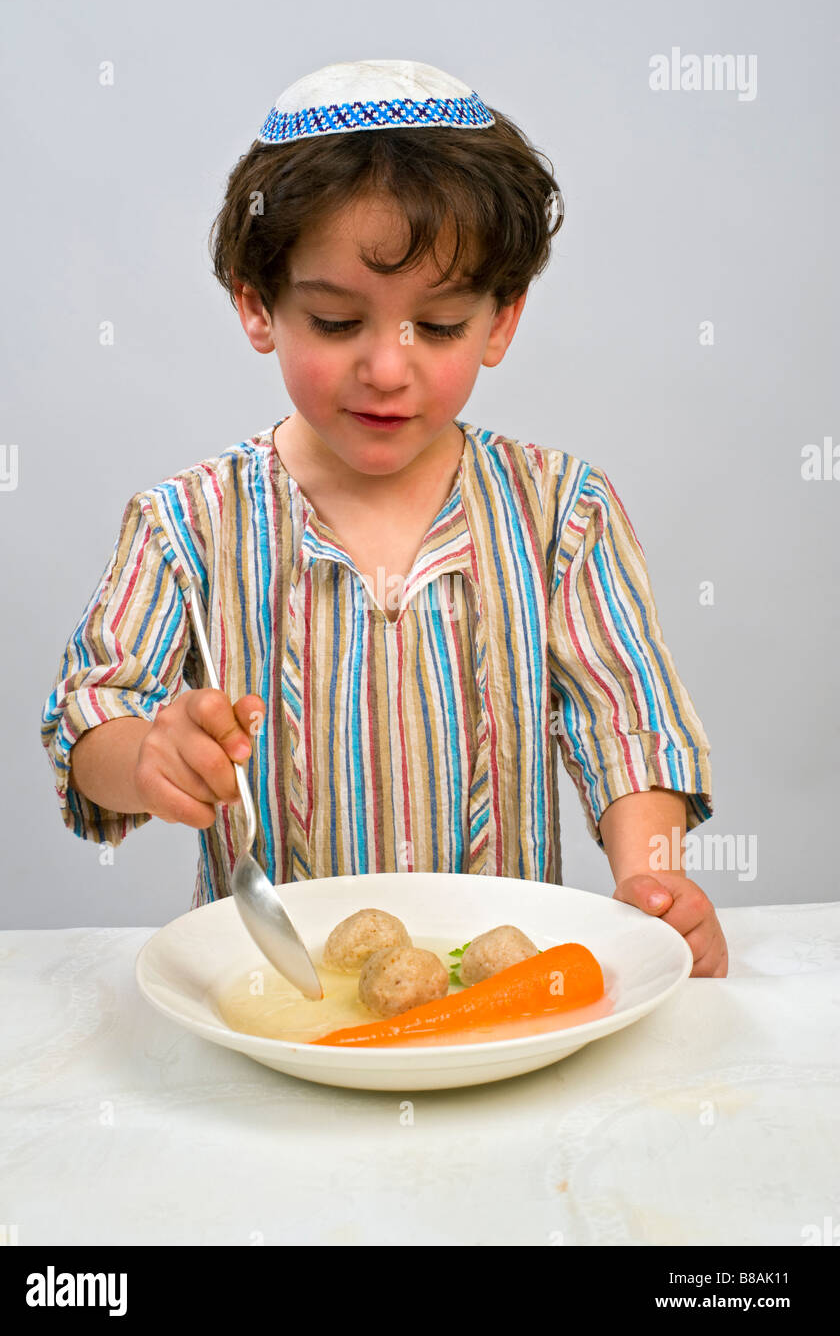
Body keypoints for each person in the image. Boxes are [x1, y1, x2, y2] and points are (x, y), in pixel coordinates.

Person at [40, 59, 727, 976]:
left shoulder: (562, 512)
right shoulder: (188, 523)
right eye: (334, 323)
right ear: (258, 304)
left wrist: (655, 885)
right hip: (287, 1003)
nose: (388, 369)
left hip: (498, 1007)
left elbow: (630, 728)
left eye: (438, 327)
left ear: (500, 320)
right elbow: (91, 717)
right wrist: (147, 755)